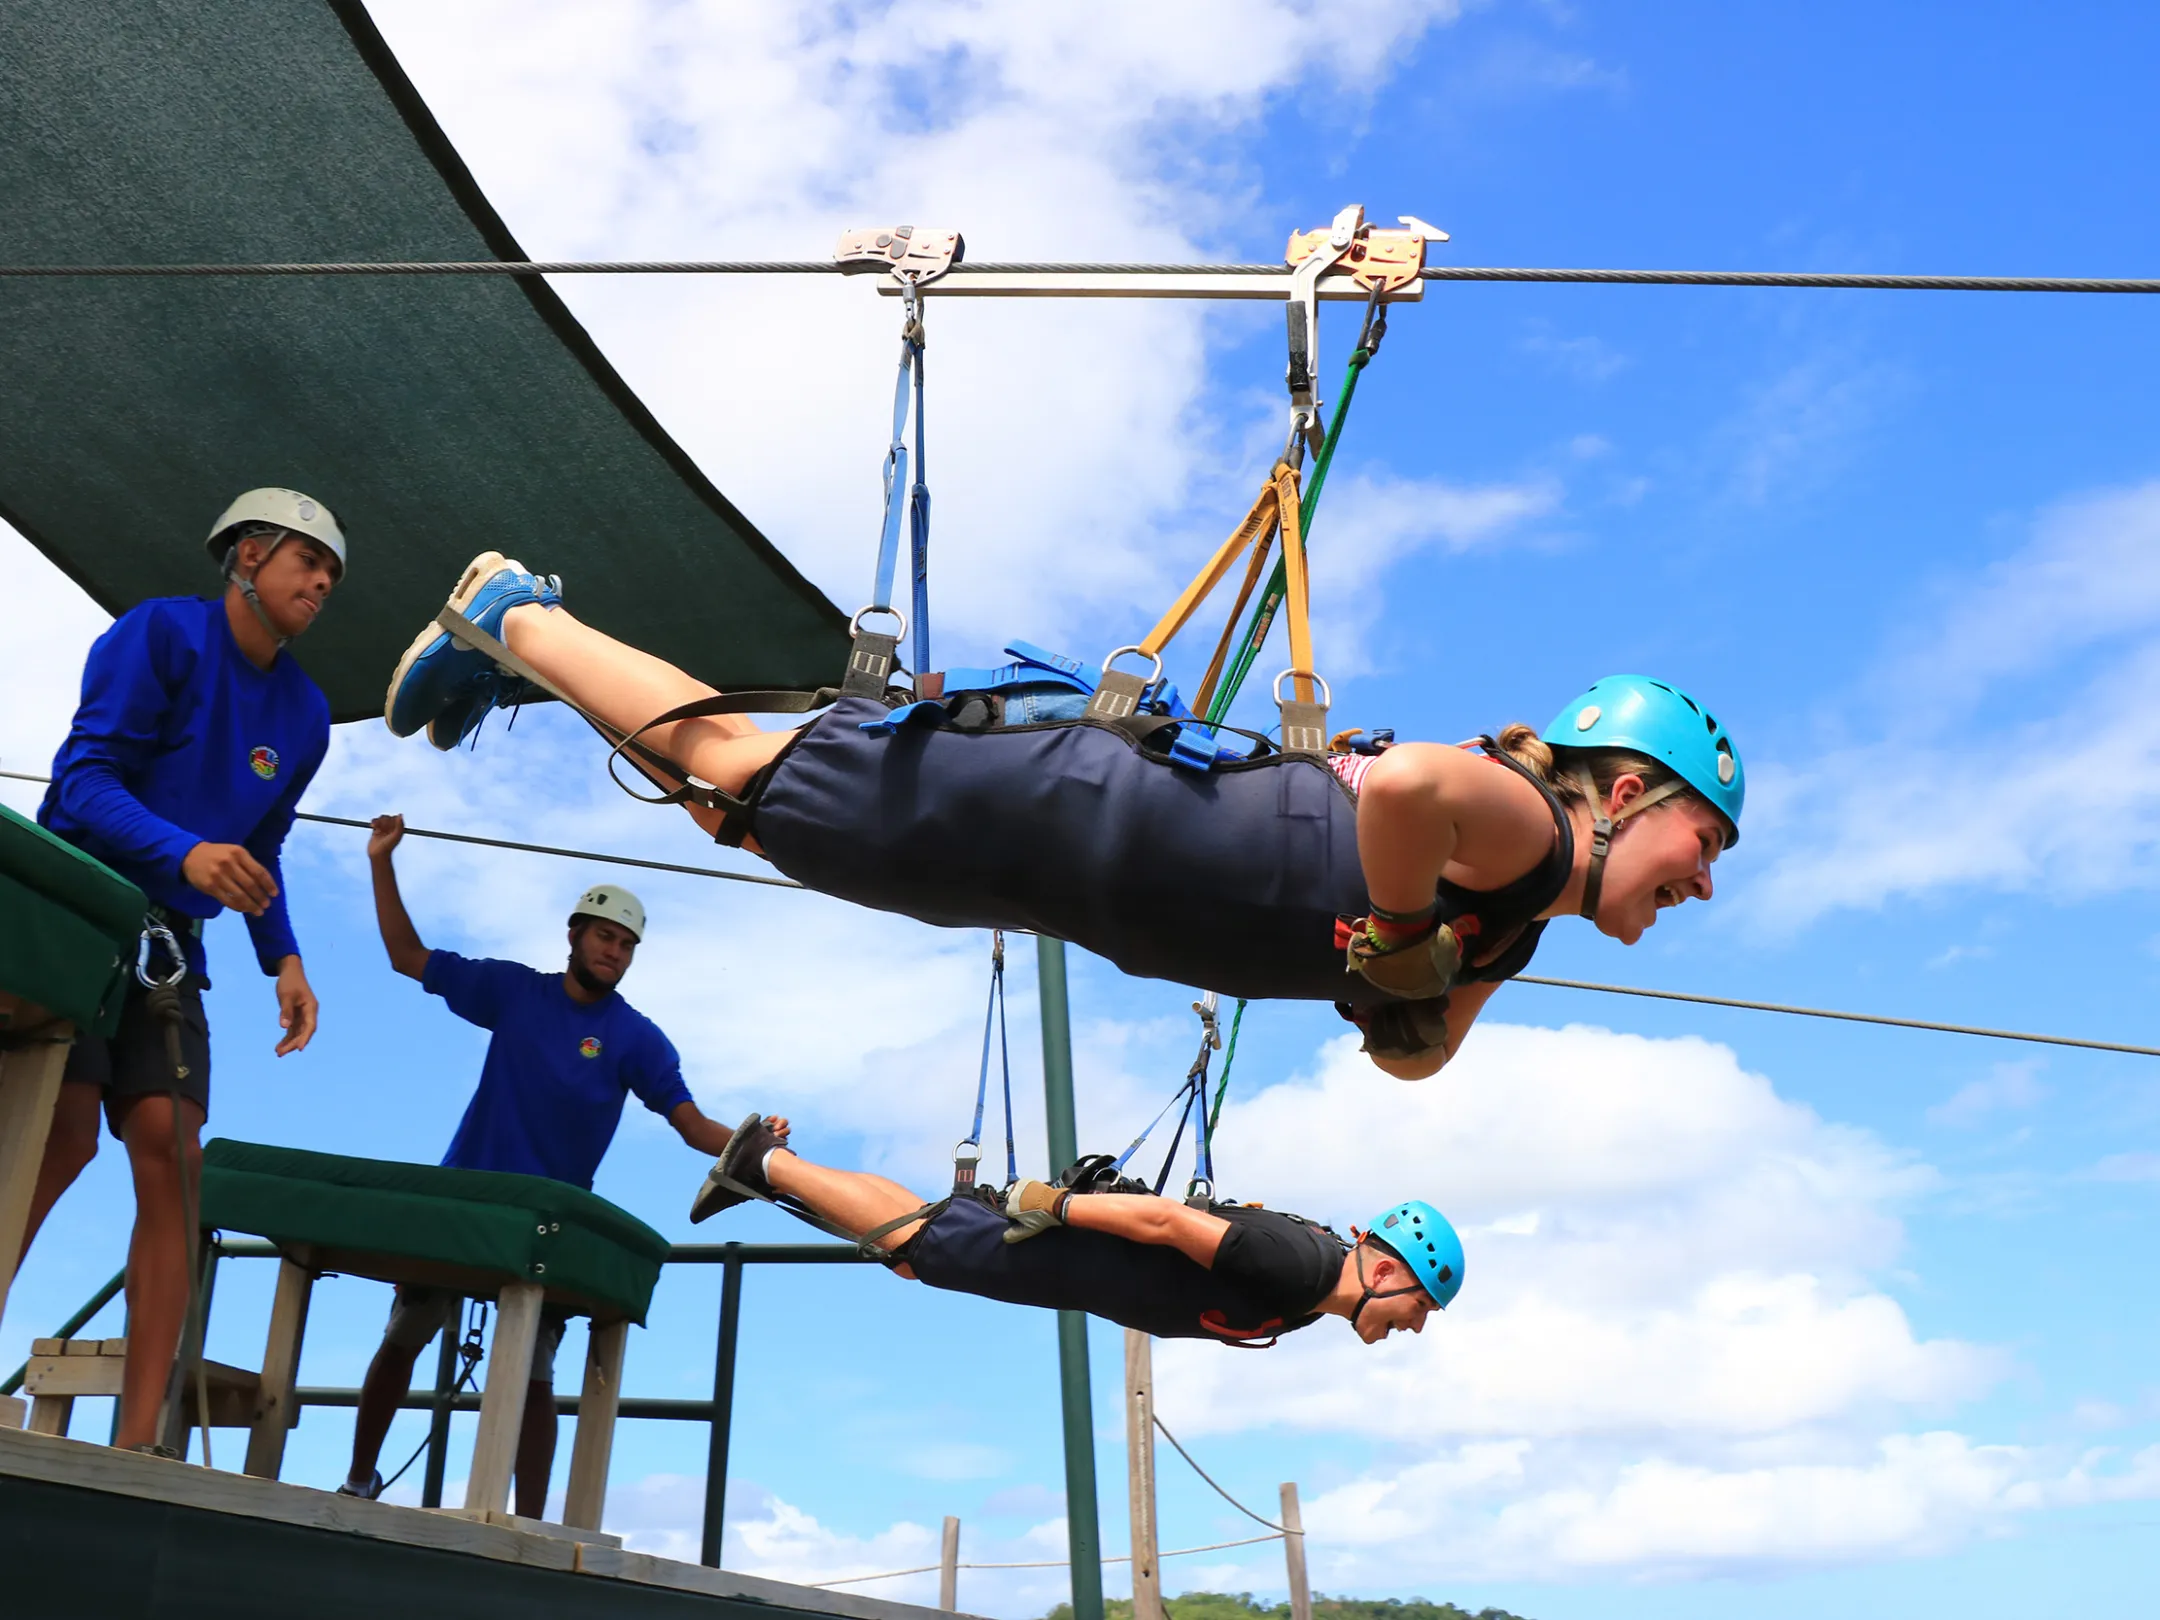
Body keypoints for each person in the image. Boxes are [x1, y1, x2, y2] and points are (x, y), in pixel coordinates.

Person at [381, 556, 1744, 1079]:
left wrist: (1427, 978)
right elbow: (1400, 787)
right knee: (742, 782)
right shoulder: (1528, 827)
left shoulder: (1513, 917)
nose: (1704, 884)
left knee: (744, 804)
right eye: (1704, 845)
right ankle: (520, 620)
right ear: (1626, 793)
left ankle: (526, 650)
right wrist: (1399, 932)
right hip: (1068, 812)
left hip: (1059, 863)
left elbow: (1411, 1055)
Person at [25, 488, 342, 1454]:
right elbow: (81, 780)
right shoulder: (158, 635)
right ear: (247, 555)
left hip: (172, 939)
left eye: (333, 574)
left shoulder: (308, 714)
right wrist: (184, 849)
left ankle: (135, 1446)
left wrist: (283, 955)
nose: (324, 582)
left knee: (172, 1148)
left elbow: (266, 849)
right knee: (63, 1136)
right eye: (307, 560)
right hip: (74, 909)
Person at [340, 813, 774, 1514]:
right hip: (468, 1200)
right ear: (573, 934)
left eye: (629, 945)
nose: (616, 952)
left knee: (536, 1367)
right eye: (606, 936)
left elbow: (691, 1124)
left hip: (546, 1221)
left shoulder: (635, 1037)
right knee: (404, 1335)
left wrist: (760, 1149)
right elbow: (405, 956)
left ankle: (531, 1525)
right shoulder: (514, 992)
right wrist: (380, 859)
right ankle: (359, 1480)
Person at [690, 1116, 1460, 1347]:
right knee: (920, 1245)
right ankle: (770, 1164)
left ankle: (774, 1161)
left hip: (1078, 1268)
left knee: (926, 1242)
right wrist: (1054, 1205)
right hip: (1073, 1250)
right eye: (1420, 1309)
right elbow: (1166, 1220)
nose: (1412, 1328)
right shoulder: (1301, 1269)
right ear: (1391, 1273)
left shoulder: (1312, 1286)